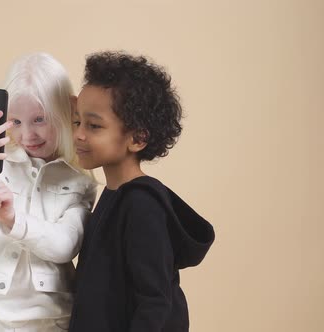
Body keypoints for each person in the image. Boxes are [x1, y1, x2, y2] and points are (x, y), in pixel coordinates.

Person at [0, 52, 97, 331]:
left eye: (39, 119)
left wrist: (13, 219)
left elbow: (65, 245)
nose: (27, 135)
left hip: (48, 321)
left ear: (65, 112)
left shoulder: (78, 182)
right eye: (16, 121)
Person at [69, 51, 215, 332]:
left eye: (94, 125)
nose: (79, 134)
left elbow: (154, 301)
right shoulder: (113, 195)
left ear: (137, 138)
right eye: (77, 122)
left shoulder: (141, 205)